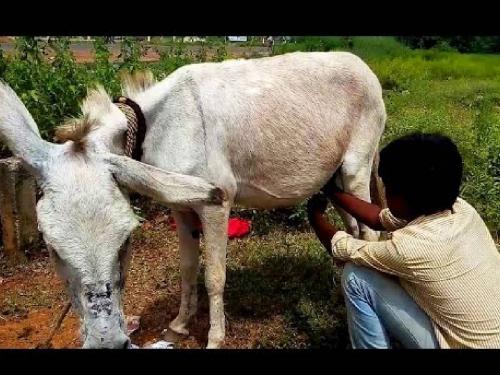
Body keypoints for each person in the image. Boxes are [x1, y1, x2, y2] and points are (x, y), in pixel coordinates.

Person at [307, 133, 500, 349]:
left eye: (388, 187)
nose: (385, 193)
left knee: (356, 277)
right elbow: (378, 218)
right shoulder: (462, 211)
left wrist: (315, 217)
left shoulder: (409, 249)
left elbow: (342, 249)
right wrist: (334, 192)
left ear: (403, 197)